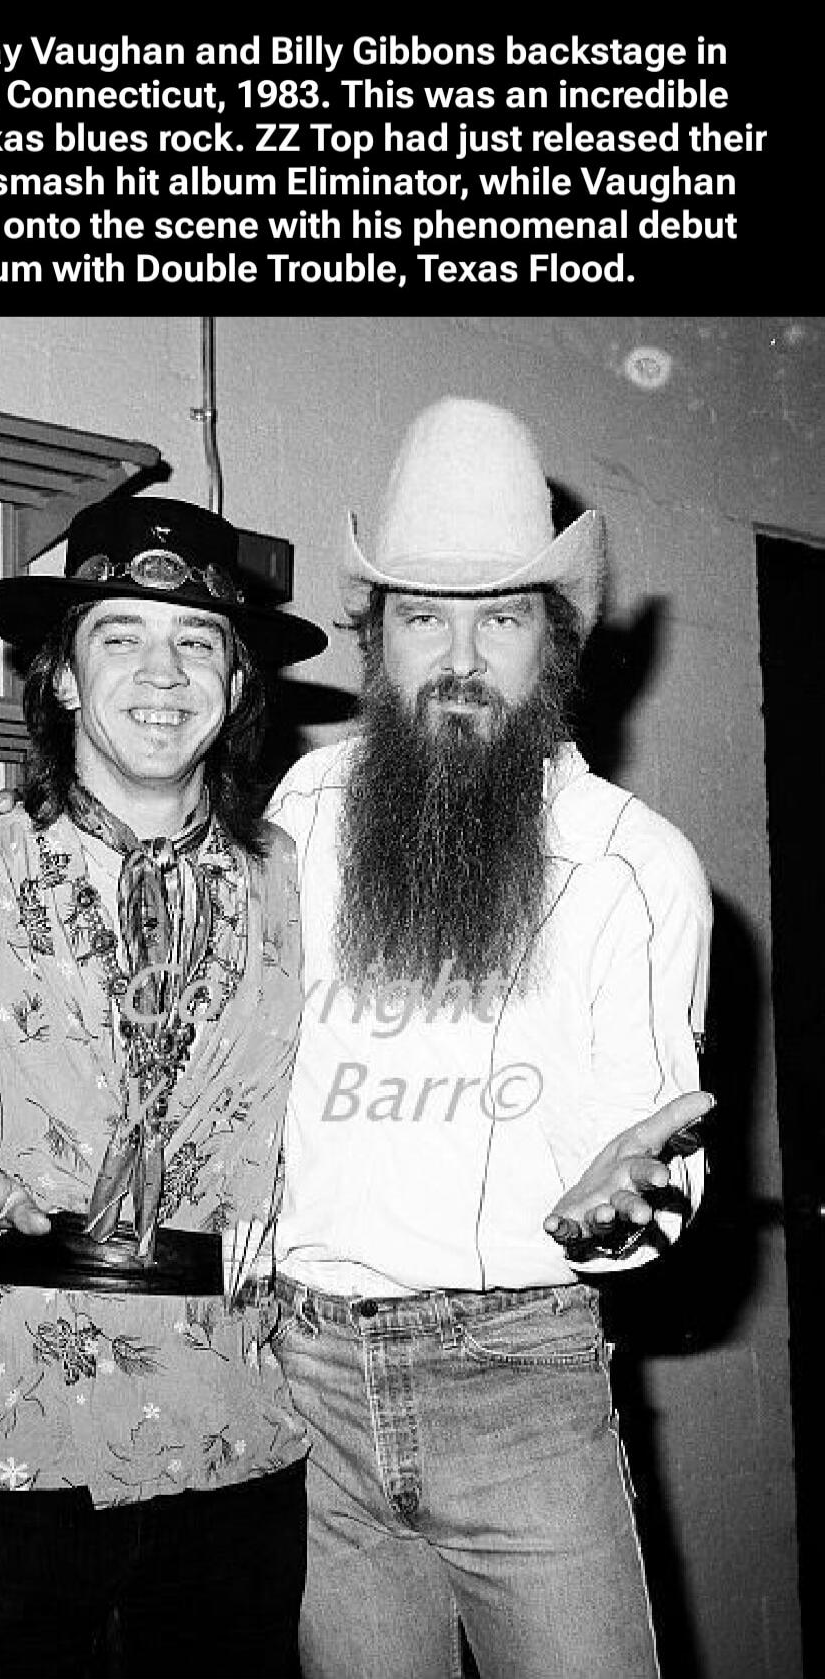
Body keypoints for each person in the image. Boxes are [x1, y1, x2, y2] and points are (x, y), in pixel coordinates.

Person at [0, 494, 328, 1679]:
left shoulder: (302, 887)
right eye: (120, 635)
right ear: (66, 678)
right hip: (14, 1418)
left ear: (237, 686)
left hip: (242, 1421)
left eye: (198, 642)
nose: (162, 671)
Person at [264, 398, 713, 1679]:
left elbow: (652, 1162)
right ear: (376, 637)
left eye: (502, 615)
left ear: (556, 643)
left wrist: (625, 1213)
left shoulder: (636, 867)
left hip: (518, 1380)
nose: (460, 656)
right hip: (314, 1384)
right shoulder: (307, 806)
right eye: (424, 615)